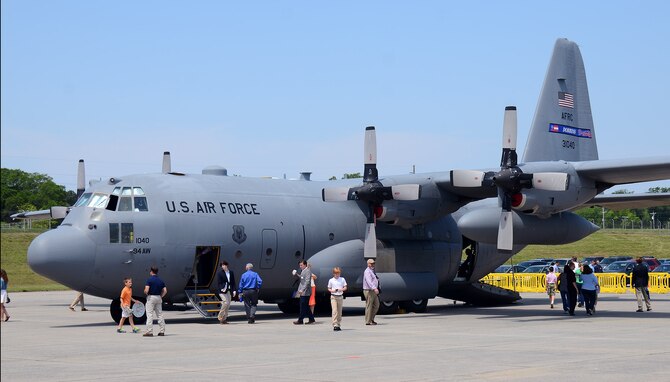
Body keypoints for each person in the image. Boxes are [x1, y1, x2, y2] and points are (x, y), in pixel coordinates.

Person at [143, 266, 167, 336]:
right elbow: (165, 291)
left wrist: (145, 292)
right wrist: (161, 296)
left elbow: (146, 290)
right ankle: (162, 331)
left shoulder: (149, 280)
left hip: (151, 297)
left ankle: (149, 332)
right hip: (158, 297)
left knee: (149, 314)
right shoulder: (160, 280)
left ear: (151, 271)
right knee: (159, 314)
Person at [292, 260, 316, 325]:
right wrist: (296, 274)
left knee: (303, 306)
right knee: (305, 306)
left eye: (301, 265)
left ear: (305, 265)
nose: (300, 266)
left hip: (306, 291)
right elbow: (302, 278)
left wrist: (302, 289)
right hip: (302, 291)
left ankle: (300, 320)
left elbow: (307, 282)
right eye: (300, 265)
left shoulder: (307, 271)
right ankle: (311, 319)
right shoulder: (303, 271)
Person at [327, 267, 347, 331]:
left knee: (339, 312)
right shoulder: (331, 280)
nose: (337, 275)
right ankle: (335, 324)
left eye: (338, 273)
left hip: (340, 296)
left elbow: (345, 287)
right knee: (334, 311)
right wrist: (332, 291)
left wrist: (341, 289)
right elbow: (329, 288)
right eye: (336, 273)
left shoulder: (342, 279)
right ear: (333, 274)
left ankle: (338, 324)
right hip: (333, 296)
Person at [363, 258, 380, 325]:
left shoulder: (371, 270)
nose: (373, 264)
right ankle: (368, 321)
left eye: (373, 263)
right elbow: (369, 281)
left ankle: (371, 319)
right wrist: (374, 288)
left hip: (373, 291)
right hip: (369, 291)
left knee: (376, 305)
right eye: (371, 263)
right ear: (368, 264)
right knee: (369, 306)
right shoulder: (367, 271)